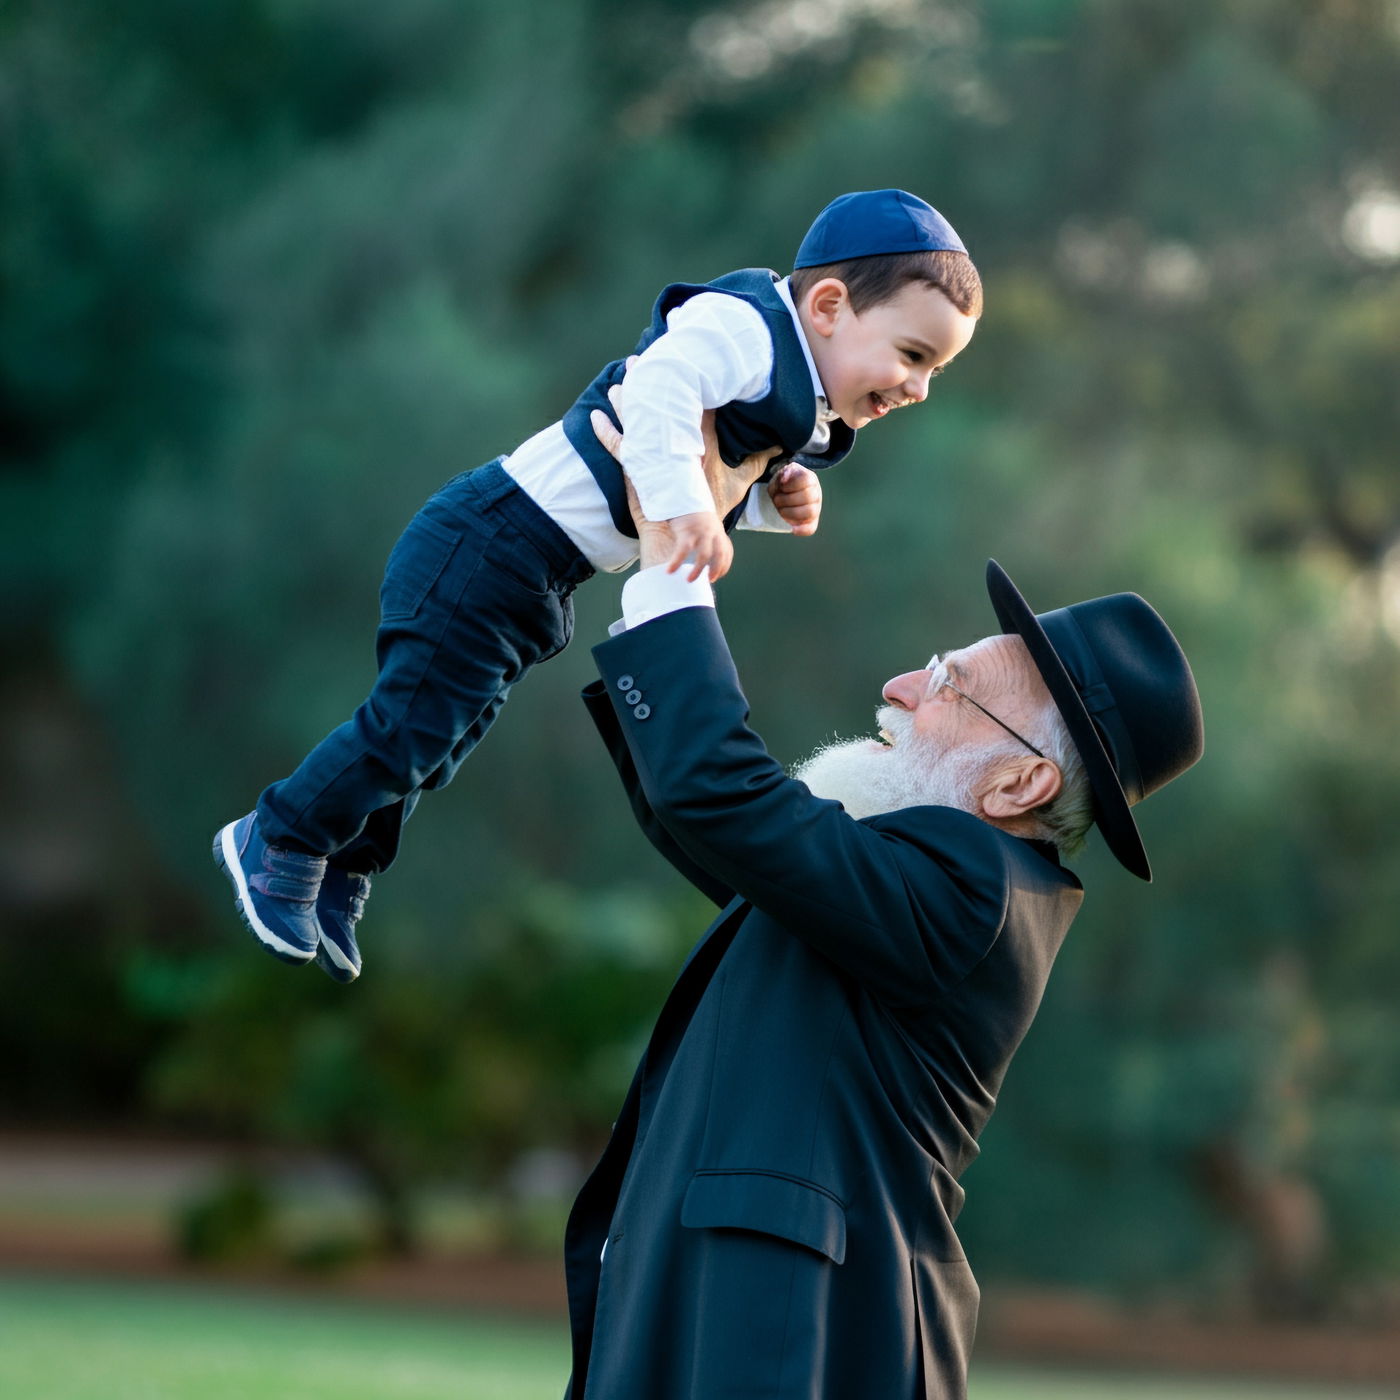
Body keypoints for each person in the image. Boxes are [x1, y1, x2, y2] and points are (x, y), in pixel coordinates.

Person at [562, 433, 1203, 1398]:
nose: (902, 687)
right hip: (757, 1323)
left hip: (792, 1339)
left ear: (1017, 783)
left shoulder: (976, 892)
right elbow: (718, 831)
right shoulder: (929, 884)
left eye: (950, 687)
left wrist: (675, 566)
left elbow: (726, 804)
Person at [212, 188, 983, 982]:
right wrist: (687, 507)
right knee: (410, 724)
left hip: (535, 575)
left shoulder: (795, 397)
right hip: (489, 539)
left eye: (937, 370)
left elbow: (706, 468)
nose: (920, 387)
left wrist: (769, 503)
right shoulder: (742, 328)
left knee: (438, 740)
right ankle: (281, 836)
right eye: (914, 356)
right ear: (827, 305)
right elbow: (657, 396)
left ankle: (346, 864)